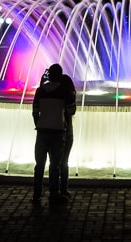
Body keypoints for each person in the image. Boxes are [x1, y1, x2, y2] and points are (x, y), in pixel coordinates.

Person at [32, 64, 75, 205]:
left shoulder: (39, 91)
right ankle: (54, 193)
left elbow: (35, 111)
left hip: (42, 131)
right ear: (60, 75)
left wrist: (39, 124)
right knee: (55, 164)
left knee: (39, 164)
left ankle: (37, 193)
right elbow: (71, 111)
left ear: (49, 75)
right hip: (58, 131)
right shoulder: (64, 91)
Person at [59, 73, 77, 198]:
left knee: (54, 162)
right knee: (64, 162)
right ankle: (63, 189)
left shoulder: (50, 94)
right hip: (66, 131)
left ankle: (53, 189)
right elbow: (72, 111)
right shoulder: (68, 96)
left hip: (51, 131)